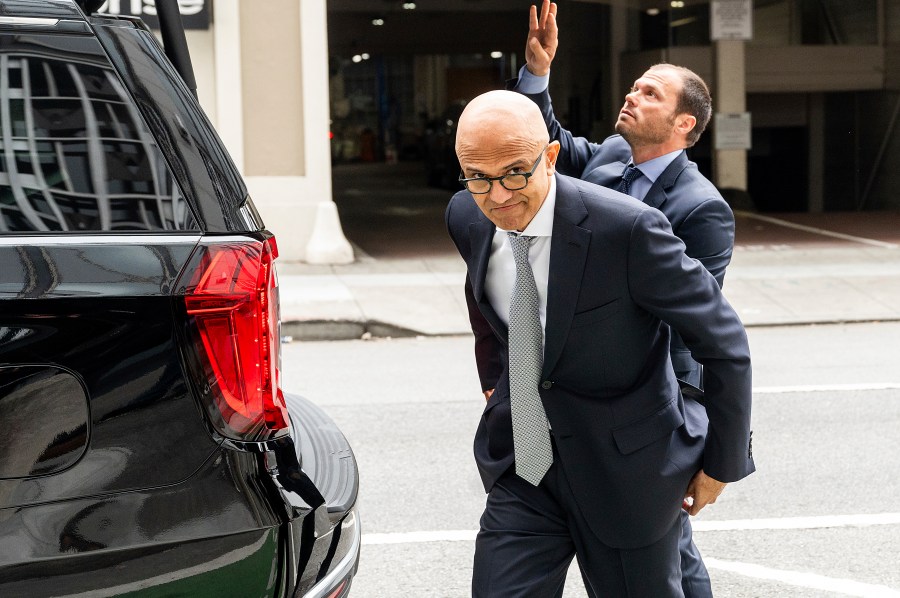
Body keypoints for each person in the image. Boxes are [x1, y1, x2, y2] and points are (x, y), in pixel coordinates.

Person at [445, 89, 754, 596]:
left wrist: (722, 463)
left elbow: (723, 341)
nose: (498, 195)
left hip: (627, 475)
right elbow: (485, 298)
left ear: (549, 156)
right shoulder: (467, 216)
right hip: (525, 466)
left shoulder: (626, 230)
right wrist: (494, 380)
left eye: (515, 174)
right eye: (478, 178)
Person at [512, 3, 736, 594]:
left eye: (651, 93)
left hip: (653, 397)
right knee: (664, 549)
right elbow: (547, 145)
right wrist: (538, 73)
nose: (632, 96)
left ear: (684, 124)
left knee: (659, 543)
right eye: (635, 86)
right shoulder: (610, 157)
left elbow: (693, 325)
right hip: (601, 387)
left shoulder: (702, 209)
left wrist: (697, 436)